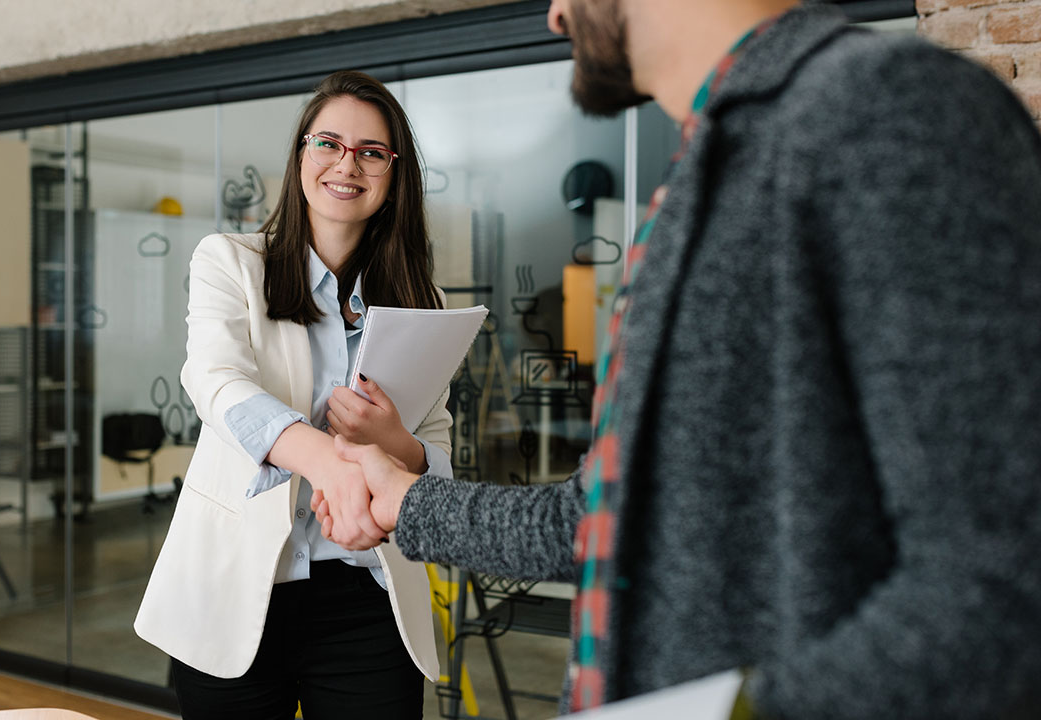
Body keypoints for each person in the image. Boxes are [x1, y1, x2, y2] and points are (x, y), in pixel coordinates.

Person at [314, 1, 1041, 718]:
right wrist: (406, 499)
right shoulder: (707, 172)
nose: (557, 16)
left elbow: (999, 591)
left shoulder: (892, 112)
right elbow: (605, 516)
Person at [135, 70, 453, 720]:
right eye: (328, 143)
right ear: (300, 155)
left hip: (368, 593)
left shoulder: (424, 303)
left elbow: (439, 456)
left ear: (394, 174)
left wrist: (393, 441)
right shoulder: (229, 262)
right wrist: (325, 460)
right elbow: (216, 382)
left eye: (371, 152)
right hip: (234, 586)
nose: (347, 164)